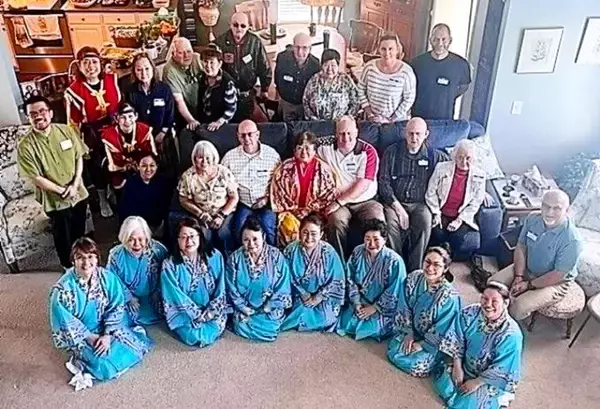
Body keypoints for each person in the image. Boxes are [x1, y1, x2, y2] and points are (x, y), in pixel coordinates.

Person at [49, 237, 151, 389]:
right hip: (83, 334)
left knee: (135, 347)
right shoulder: (62, 290)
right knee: (102, 365)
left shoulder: (107, 278)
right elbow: (65, 321)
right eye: (80, 258)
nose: (86, 262)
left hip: (107, 327)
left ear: (97, 258)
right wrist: (90, 338)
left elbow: (116, 306)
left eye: (90, 256)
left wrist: (107, 335)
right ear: (73, 261)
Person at [487, 189, 583, 320]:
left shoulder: (572, 240)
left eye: (556, 208)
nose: (549, 212)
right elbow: (521, 246)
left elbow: (558, 274)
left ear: (567, 210)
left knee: (519, 306)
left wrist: (528, 285)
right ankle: (494, 316)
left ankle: (506, 325)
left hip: (555, 282)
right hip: (528, 267)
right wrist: (519, 276)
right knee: (493, 283)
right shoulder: (532, 218)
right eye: (546, 206)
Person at [18, 95, 89, 270]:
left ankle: (83, 261)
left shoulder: (66, 130)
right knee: (63, 236)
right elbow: (35, 177)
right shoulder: (25, 146)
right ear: (28, 117)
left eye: (42, 111)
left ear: (50, 113)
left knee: (79, 230)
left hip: (78, 191)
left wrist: (75, 184)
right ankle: (67, 266)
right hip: (55, 199)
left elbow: (79, 156)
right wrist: (61, 191)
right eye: (32, 114)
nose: (38, 116)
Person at [433, 282, 523, 409]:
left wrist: (477, 382)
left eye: (494, 301)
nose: (488, 304)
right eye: (485, 298)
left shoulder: (512, 335)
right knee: (445, 384)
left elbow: (504, 366)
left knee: (467, 402)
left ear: (506, 303)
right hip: (464, 365)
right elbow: (456, 338)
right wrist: (457, 366)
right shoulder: (470, 312)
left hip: (488, 380)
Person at [379, 117, 449, 272]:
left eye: (418, 134)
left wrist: (481, 188)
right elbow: (383, 183)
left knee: (425, 221)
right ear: (405, 132)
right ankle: (396, 268)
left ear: (426, 134)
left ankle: (415, 270)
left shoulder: (435, 156)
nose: (414, 138)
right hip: (394, 202)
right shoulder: (392, 152)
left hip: (421, 203)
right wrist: (397, 207)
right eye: (410, 133)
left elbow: (454, 169)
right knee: (390, 226)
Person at [387, 244, 461, 377]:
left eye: (436, 265)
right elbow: (403, 306)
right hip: (411, 330)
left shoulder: (449, 297)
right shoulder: (413, 277)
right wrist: (409, 332)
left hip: (432, 342)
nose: (430, 268)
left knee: (417, 365)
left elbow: (444, 327)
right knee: (394, 349)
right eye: (427, 262)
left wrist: (422, 344)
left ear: (445, 268)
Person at [65, 46, 121, 218]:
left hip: (114, 128)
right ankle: (102, 198)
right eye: (86, 63)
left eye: (94, 62)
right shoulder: (74, 91)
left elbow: (119, 106)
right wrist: (80, 145)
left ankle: (113, 190)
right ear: (79, 66)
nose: (91, 67)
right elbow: (72, 123)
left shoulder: (111, 79)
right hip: (91, 134)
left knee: (117, 162)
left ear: (100, 64)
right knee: (98, 168)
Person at [318, 116, 384, 260]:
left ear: (356, 132)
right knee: (335, 221)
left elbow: (362, 185)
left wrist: (338, 202)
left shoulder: (368, 151)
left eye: (349, 133)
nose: (345, 138)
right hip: (340, 203)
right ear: (336, 134)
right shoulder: (324, 146)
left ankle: (375, 263)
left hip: (366, 201)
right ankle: (339, 264)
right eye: (341, 133)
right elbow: (306, 148)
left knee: (377, 223)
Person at [160, 217, 228, 347]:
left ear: (200, 236)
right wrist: (196, 315)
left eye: (192, 236)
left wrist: (210, 312)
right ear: (177, 240)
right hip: (185, 315)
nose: (189, 241)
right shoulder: (169, 265)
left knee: (213, 327)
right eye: (183, 237)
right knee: (193, 335)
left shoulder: (215, 256)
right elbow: (174, 295)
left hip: (211, 312)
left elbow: (221, 288)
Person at [337, 219, 407, 341]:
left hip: (382, 307)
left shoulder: (395, 261)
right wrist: (356, 302)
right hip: (361, 299)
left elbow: (395, 289)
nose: (371, 243)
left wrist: (374, 308)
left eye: (376, 239)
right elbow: (350, 278)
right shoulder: (358, 252)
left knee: (374, 327)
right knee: (346, 321)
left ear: (384, 240)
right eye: (367, 239)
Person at [225, 218, 292, 342]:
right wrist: (242, 307)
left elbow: (283, 284)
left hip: (269, 307)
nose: (251, 244)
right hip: (245, 308)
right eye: (246, 240)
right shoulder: (234, 259)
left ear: (263, 237)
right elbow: (231, 287)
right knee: (240, 325)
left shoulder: (276, 256)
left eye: (255, 239)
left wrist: (270, 305)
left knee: (272, 328)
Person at [270, 131, 338, 246]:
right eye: (300, 148)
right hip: (291, 212)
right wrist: (295, 211)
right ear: (294, 150)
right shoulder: (285, 168)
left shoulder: (324, 169)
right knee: (290, 227)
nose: (304, 152)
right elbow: (279, 192)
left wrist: (308, 210)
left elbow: (328, 195)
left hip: (316, 212)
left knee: (313, 230)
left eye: (307, 148)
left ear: (314, 150)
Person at [281, 213, 345, 332]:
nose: (309, 237)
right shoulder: (290, 250)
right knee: (293, 311)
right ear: (299, 232)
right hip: (298, 296)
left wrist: (318, 297)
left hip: (323, 297)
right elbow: (285, 276)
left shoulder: (329, 252)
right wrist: (302, 293)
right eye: (305, 232)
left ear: (321, 234)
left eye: (314, 233)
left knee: (327, 317)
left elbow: (337, 279)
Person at [221, 120, 280, 246]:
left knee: (268, 227)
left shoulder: (272, 155)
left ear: (257, 135)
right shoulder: (229, 157)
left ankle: (272, 254)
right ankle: (242, 255)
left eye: (250, 134)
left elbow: (279, 183)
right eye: (242, 135)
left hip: (266, 203)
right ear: (238, 137)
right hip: (243, 203)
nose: (246, 139)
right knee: (238, 227)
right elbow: (222, 182)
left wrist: (268, 198)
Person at [425, 139, 486, 260]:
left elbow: (476, 202)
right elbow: (430, 192)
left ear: (473, 158)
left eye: (468, 158)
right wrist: (436, 213)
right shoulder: (441, 168)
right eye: (460, 157)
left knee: (457, 237)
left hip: (461, 215)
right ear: (454, 156)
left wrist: (459, 220)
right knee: (437, 234)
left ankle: (445, 264)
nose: (464, 162)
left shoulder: (480, 175)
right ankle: (434, 261)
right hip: (440, 211)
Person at [176, 141, 238, 254]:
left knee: (223, 233)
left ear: (214, 157)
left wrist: (221, 215)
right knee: (204, 236)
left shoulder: (224, 173)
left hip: (224, 213)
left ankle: (228, 258)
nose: (204, 161)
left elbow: (234, 197)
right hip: (201, 214)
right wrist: (201, 214)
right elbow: (183, 200)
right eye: (200, 157)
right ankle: (207, 260)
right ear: (194, 159)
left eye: (208, 157)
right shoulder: (188, 176)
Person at [107, 216, 169, 326]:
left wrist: (158, 291)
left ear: (146, 237)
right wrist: (128, 297)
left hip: (154, 296)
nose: (136, 244)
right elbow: (112, 280)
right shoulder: (116, 255)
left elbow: (167, 275)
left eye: (140, 239)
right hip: (129, 298)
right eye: (131, 239)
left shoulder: (158, 250)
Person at [126, 53, 177, 180]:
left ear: (153, 69)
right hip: (141, 138)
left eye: (147, 68)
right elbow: (131, 118)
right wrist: (143, 138)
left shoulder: (164, 89)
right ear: (134, 72)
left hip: (162, 134)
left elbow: (170, 114)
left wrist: (162, 133)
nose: (144, 73)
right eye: (139, 70)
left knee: (167, 169)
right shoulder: (131, 91)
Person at [215, 12, 272, 123]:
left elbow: (264, 66)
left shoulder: (255, 42)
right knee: (230, 122)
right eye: (235, 25)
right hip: (227, 92)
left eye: (243, 26)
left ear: (248, 26)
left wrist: (265, 88)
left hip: (248, 92)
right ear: (230, 24)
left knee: (259, 122)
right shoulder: (220, 43)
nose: (239, 29)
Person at [410, 23, 471, 120]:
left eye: (444, 39)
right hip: (418, 119)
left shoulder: (461, 64)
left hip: (445, 120)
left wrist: (449, 95)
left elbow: (464, 85)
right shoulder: (417, 63)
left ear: (450, 40)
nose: (440, 44)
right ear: (430, 40)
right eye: (436, 39)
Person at [358, 35, 416, 123]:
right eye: (383, 49)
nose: (387, 53)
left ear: (397, 50)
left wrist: (391, 119)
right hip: (371, 119)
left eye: (390, 49)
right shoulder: (369, 67)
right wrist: (370, 114)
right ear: (379, 50)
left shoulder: (406, 72)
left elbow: (409, 99)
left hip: (396, 122)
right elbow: (361, 89)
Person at [101, 102, 157, 190]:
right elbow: (111, 167)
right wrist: (124, 167)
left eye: (130, 116)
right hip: (120, 171)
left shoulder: (145, 131)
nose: (127, 121)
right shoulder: (109, 136)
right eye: (122, 117)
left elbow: (153, 156)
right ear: (116, 119)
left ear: (136, 116)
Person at [118, 153, 172, 233]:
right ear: (138, 166)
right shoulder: (130, 184)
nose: (148, 169)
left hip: (159, 226)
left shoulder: (164, 182)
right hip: (138, 227)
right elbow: (126, 212)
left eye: (152, 165)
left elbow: (166, 207)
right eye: (144, 166)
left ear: (157, 166)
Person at [302, 49, 359, 121]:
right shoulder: (314, 80)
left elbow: (356, 101)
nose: (329, 69)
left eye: (333, 65)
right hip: (317, 123)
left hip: (341, 124)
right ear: (321, 66)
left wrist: (347, 119)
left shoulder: (346, 80)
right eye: (326, 65)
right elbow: (305, 101)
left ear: (338, 66)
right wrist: (314, 120)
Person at [275, 33, 320, 121]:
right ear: (292, 47)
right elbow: (277, 78)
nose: (300, 52)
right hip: (286, 103)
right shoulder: (282, 58)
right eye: (297, 47)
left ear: (310, 49)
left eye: (304, 48)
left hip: (304, 105)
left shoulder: (316, 65)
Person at [162, 37, 203, 130]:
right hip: (184, 115)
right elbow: (179, 101)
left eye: (189, 51)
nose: (186, 56)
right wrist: (191, 120)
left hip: (204, 109)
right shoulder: (169, 70)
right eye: (181, 53)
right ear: (173, 54)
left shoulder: (197, 58)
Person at [197, 43, 238, 132]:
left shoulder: (227, 83)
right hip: (205, 122)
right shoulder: (201, 77)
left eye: (212, 62)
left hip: (223, 125)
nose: (208, 66)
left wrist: (219, 122)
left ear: (219, 63)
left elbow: (231, 109)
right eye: (205, 61)